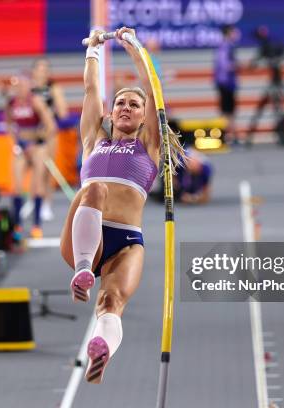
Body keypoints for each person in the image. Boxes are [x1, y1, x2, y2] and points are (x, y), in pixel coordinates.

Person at [60, 27, 184, 384]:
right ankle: (83, 271)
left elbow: (151, 87)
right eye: (120, 103)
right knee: (93, 188)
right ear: (111, 114)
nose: (126, 107)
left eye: (134, 104)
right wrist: (94, 49)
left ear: (145, 117)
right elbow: (90, 90)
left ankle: (102, 349)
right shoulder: (93, 141)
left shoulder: (149, 144)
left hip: (126, 239)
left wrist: (133, 46)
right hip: (85, 236)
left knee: (111, 302)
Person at [6, 74, 56, 240]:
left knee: (37, 186)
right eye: (17, 86)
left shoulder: (35, 101)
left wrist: (37, 141)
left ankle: (36, 225)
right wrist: (15, 141)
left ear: (28, 86)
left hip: (37, 147)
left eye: (22, 85)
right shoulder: (11, 103)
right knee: (17, 186)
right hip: (21, 147)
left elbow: (50, 126)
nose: (19, 89)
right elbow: (9, 124)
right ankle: (18, 225)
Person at [28, 58, 69, 222]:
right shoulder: (28, 89)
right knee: (32, 169)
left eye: (46, 69)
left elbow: (63, 113)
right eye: (40, 69)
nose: (42, 72)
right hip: (31, 133)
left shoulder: (54, 88)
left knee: (46, 168)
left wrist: (52, 106)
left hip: (49, 133)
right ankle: (33, 200)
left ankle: (46, 203)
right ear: (34, 71)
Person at [214, 25, 239, 145]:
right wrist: (238, 65)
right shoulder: (225, 47)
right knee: (227, 111)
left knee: (229, 111)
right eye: (234, 32)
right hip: (226, 83)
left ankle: (229, 136)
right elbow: (225, 65)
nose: (237, 34)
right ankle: (228, 137)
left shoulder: (227, 46)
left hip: (227, 83)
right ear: (229, 33)